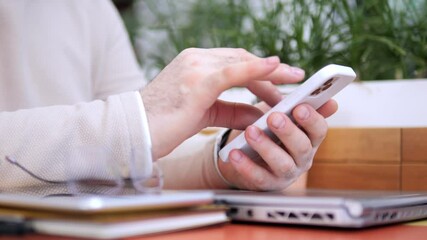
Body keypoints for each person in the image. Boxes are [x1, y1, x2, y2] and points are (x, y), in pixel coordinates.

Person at [0, 0, 337, 192]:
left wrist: (225, 159)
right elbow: (126, 131)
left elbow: (129, 156)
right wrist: (136, 119)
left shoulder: (89, 7)